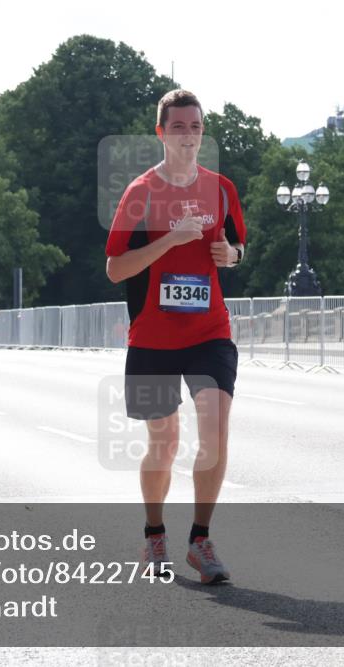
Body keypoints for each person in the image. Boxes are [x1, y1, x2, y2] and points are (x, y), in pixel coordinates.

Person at [105, 89, 246, 585]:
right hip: (152, 336)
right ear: (162, 133)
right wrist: (170, 239)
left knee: (215, 429)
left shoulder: (221, 189)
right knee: (163, 442)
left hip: (209, 329)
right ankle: (154, 535)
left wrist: (232, 257)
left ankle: (200, 541)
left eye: (196, 126)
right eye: (179, 126)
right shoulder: (139, 193)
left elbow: (235, 247)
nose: (189, 134)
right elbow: (115, 268)